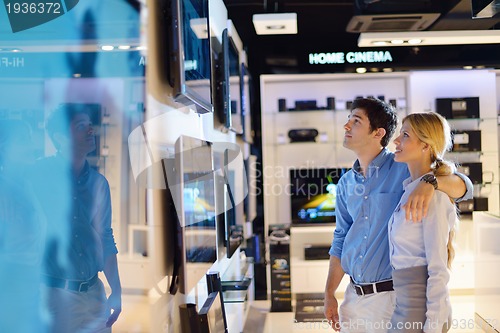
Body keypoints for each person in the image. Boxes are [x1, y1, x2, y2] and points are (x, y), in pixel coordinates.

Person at [323, 98, 472, 333]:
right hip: (352, 298)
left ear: (378, 133)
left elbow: (465, 187)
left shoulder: (405, 167)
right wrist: (330, 292)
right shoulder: (345, 183)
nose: (346, 126)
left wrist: (430, 182)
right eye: (348, 119)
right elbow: (341, 238)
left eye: (356, 120)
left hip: (391, 298)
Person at [31, 104, 122, 333]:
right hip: (55, 298)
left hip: (94, 296)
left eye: (90, 125)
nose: (91, 131)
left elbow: (106, 238)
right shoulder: (38, 175)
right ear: (61, 137)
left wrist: (117, 290)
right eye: (81, 127)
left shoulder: (99, 184)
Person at [388, 112, 457, 332]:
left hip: (420, 309)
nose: (396, 141)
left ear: (426, 146)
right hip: (405, 304)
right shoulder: (411, 188)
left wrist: (433, 326)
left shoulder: (433, 197)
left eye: (405, 135)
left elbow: (438, 269)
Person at [0, 120, 46, 333]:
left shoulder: (27, 183)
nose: (31, 145)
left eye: (29, 138)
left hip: (31, 285)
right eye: (22, 140)